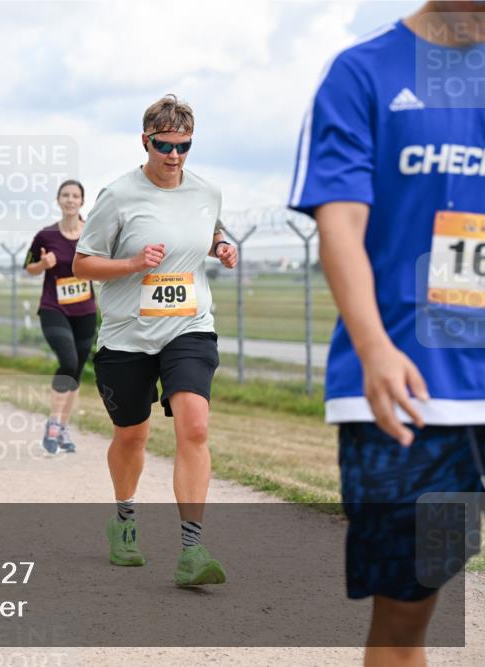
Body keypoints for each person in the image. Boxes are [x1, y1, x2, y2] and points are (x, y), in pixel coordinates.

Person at [289, 4, 484, 664]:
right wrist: (374, 346)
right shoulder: (361, 72)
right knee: (407, 610)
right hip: (417, 392)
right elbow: (339, 221)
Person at [73, 94, 238, 584]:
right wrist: (130, 264)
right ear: (145, 141)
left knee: (195, 427)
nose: (174, 156)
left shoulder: (207, 191)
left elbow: (208, 227)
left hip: (189, 326)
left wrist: (222, 244)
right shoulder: (119, 196)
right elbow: (83, 263)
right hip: (127, 334)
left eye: (183, 146)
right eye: (164, 145)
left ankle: (192, 549)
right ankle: (123, 519)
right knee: (133, 434)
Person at [24, 179, 96, 454]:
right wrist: (42, 264)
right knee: (68, 361)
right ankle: (53, 423)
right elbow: (28, 266)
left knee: (76, 371)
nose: (69, 199)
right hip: (54, 307)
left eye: (75, 195)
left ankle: (63, 428)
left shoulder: (91, 233)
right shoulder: (46, 235)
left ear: (81, 201)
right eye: (65, 195)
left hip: (85, 310)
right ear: (58, 200)